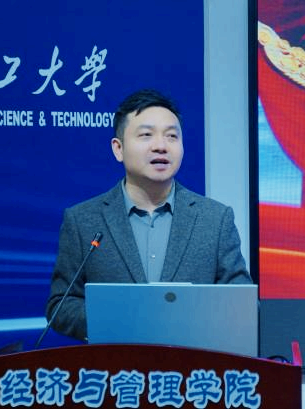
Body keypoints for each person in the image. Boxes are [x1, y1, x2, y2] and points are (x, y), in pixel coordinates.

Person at [45, 89, 251, 340]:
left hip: (192, 362)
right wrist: (123, 320)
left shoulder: (215, 220)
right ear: (118, 149)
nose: (161, 146)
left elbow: (245, 306)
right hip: (118, 363)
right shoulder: (83, 220)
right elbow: (60, 306)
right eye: (146, 135)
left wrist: (189, 319)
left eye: (172, 136)